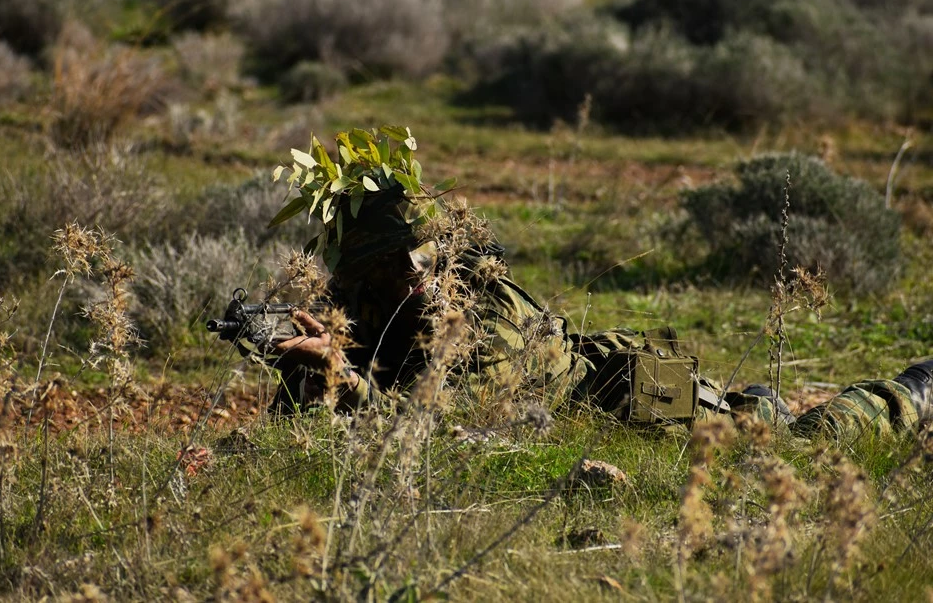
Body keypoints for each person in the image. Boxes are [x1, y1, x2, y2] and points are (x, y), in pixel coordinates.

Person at [235, 130, 933, 442]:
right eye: (389, 266)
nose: (411, 274)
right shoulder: (367, 304)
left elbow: (438, 426)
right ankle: (760, 403)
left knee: (793, 451)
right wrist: (308, 372)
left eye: (417, 254)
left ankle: (905, 392)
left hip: (622, 389)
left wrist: (345, 378)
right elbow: (306, 445)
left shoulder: (485, 313)